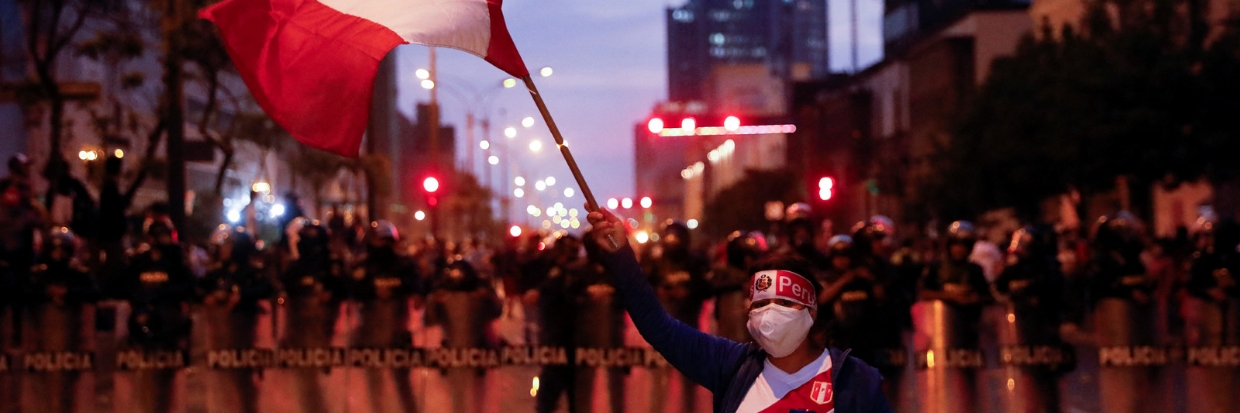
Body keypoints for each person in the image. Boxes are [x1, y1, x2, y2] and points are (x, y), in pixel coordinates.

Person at [587, 208, 892, 413]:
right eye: (760, 303)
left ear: (810, 312)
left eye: (784, 303)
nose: (770, 313)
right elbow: (659, 327)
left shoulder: (855, 381)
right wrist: (621, 255)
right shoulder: (731, 366)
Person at [113, 216, 194, 413]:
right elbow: (119, 285)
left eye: (164, 235)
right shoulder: (139, 261)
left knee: (169, 379)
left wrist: (159, 295)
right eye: (156, 235)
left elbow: (190, 287)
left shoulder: (177, 261)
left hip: (169, 326)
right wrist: (141, 302)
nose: (160, 240)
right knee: (144, 378)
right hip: (141, 325)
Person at [23, 227, 100, 413]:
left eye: (62, 250)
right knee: (41, 385)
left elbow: (96, 294)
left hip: (72, 341)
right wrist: (47, 293)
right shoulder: (36, 274)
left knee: (68, 385)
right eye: (54, 249)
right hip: (41, 341)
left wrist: (68, 293)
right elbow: (21, 293)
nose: (58, 254)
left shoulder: (79, 274)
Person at [198, 226, 273, 413]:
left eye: (227, 246)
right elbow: (196, 288)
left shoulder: (251, 272)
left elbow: (267, 289)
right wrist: (207, 297)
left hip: (244, 336)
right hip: (217, 337)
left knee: (243, 379)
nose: (222, 250)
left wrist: (243, 296)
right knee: (221, 379)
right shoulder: (217, 272)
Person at [349, 220, 421, 413]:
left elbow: (417, 287)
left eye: (387, 241)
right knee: (374, 384)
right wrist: (373, 290)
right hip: (370, 333)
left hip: (398, 333)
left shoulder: (405, 265)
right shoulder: (362, 267)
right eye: (380, 241)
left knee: (403, 383)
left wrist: (396, 290)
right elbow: (352, 290)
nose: (384, 246)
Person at [279, 219, 347, 413]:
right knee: (305, 385)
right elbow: (284, 291)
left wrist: (332, 294)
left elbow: (344, 288)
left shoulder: (331, 267)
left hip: (325, 335)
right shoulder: (295, 268)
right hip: (299, 335)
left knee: (326, 385)